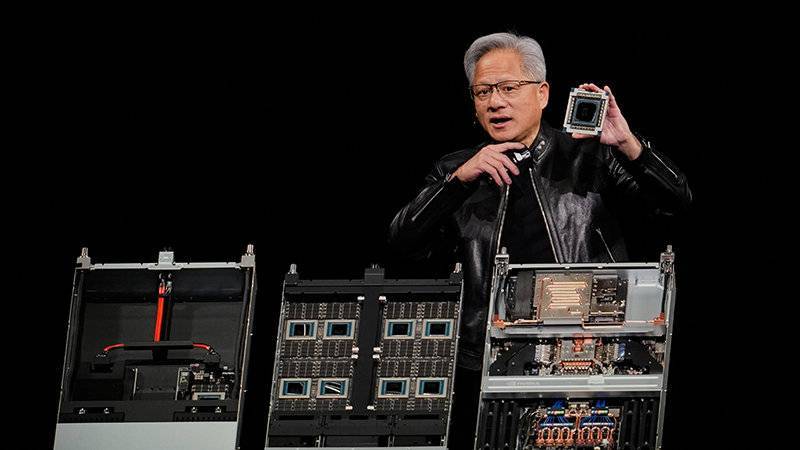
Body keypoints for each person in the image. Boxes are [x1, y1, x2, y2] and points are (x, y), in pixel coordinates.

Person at [388, 32, 692, 448]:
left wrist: (629, 145)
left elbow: (677, 203)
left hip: (587, 354)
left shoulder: (587, 154)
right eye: (483, 92)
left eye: (508, 88)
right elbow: (403, 242)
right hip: (485, 366)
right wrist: (456, 183)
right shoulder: (457, 170)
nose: (495, 102)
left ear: (542, 93)